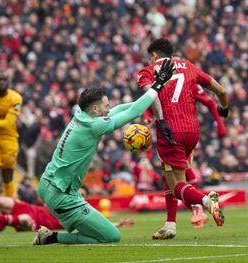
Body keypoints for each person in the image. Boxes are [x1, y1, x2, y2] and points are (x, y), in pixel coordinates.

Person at [32, 59, 175, 245]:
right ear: (95, 108)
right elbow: (132, 112)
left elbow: (124, 109)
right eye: (106, 106)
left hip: (48, 184)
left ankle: (53, 235)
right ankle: (51, 238)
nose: (109, 108)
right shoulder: (94, 125)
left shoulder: (82, 116)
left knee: (99, 231)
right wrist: (158, 85)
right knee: (111, 236)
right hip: (61, 194)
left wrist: (148, 99)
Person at [137, 38, 229, 240]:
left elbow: (149, 97)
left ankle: (206, 200)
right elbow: (221, 91)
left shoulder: (148, 71)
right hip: (192, 132)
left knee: (178, 186)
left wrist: (153, 119)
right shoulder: (189, 66)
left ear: (153, 55)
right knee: (168, 176)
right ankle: (170, 225)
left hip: (170, 130)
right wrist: (224, 109)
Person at [0, 197, 135, 232]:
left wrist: (117, 225)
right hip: (30, 208)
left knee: (25, 220)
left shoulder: (76, 216)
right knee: (1, 200)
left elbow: (95, 223)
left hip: (34, 221)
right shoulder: (62, 197)